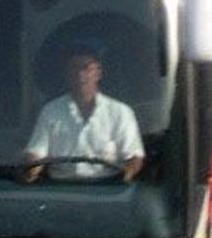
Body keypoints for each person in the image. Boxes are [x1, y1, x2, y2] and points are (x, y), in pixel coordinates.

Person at [24, 40, 145, 182]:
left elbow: (134, 157)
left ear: (98, 73)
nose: (80, 74)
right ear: (66, 74)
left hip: (108, 190)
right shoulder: (51, 111)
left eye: (86, 68)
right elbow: (36, 153)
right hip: (60, 189)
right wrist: (30, 171)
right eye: (74, 68)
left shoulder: (121, 112)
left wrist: (128, 173)